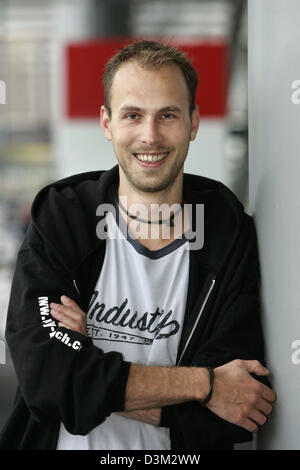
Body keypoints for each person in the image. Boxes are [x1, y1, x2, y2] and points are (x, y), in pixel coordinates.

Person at [0, 40, 275, 451]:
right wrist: (206, 384)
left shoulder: (226, 235)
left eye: (168, 115)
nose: (150, 135)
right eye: (132, 115)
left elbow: (235, 414)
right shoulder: (64, 218)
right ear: (107, 123)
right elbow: (47, 382)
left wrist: (86, 369)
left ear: (193, 122)